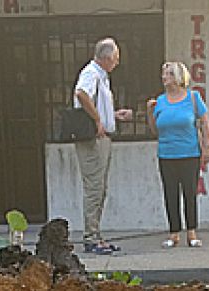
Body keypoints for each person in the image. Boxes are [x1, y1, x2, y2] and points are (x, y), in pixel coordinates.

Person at [73, 38, 133, 256]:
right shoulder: (91, 73)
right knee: (94, 189)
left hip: (103, 137)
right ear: (107, 58)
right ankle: (90, 237)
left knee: (100, 189)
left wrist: (112, 116)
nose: (117, 63)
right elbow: (81, 93)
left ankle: (96, 234)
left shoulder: (102, 76)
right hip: (92, 140)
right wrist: (98, 119)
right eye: (116, 58)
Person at [147, 61, 209, 249]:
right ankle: (173, 233)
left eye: (167, 74)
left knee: (189, 193)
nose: (163, 77)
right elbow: (155, 130)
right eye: (163, 74)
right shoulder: (160, 101)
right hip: (166, 154)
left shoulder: (193, 97)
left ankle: (192, 232)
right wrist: (150, 112)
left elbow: (205, 122)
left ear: (177, 77)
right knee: (170, 193)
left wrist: (207, 145)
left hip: (189, 153)